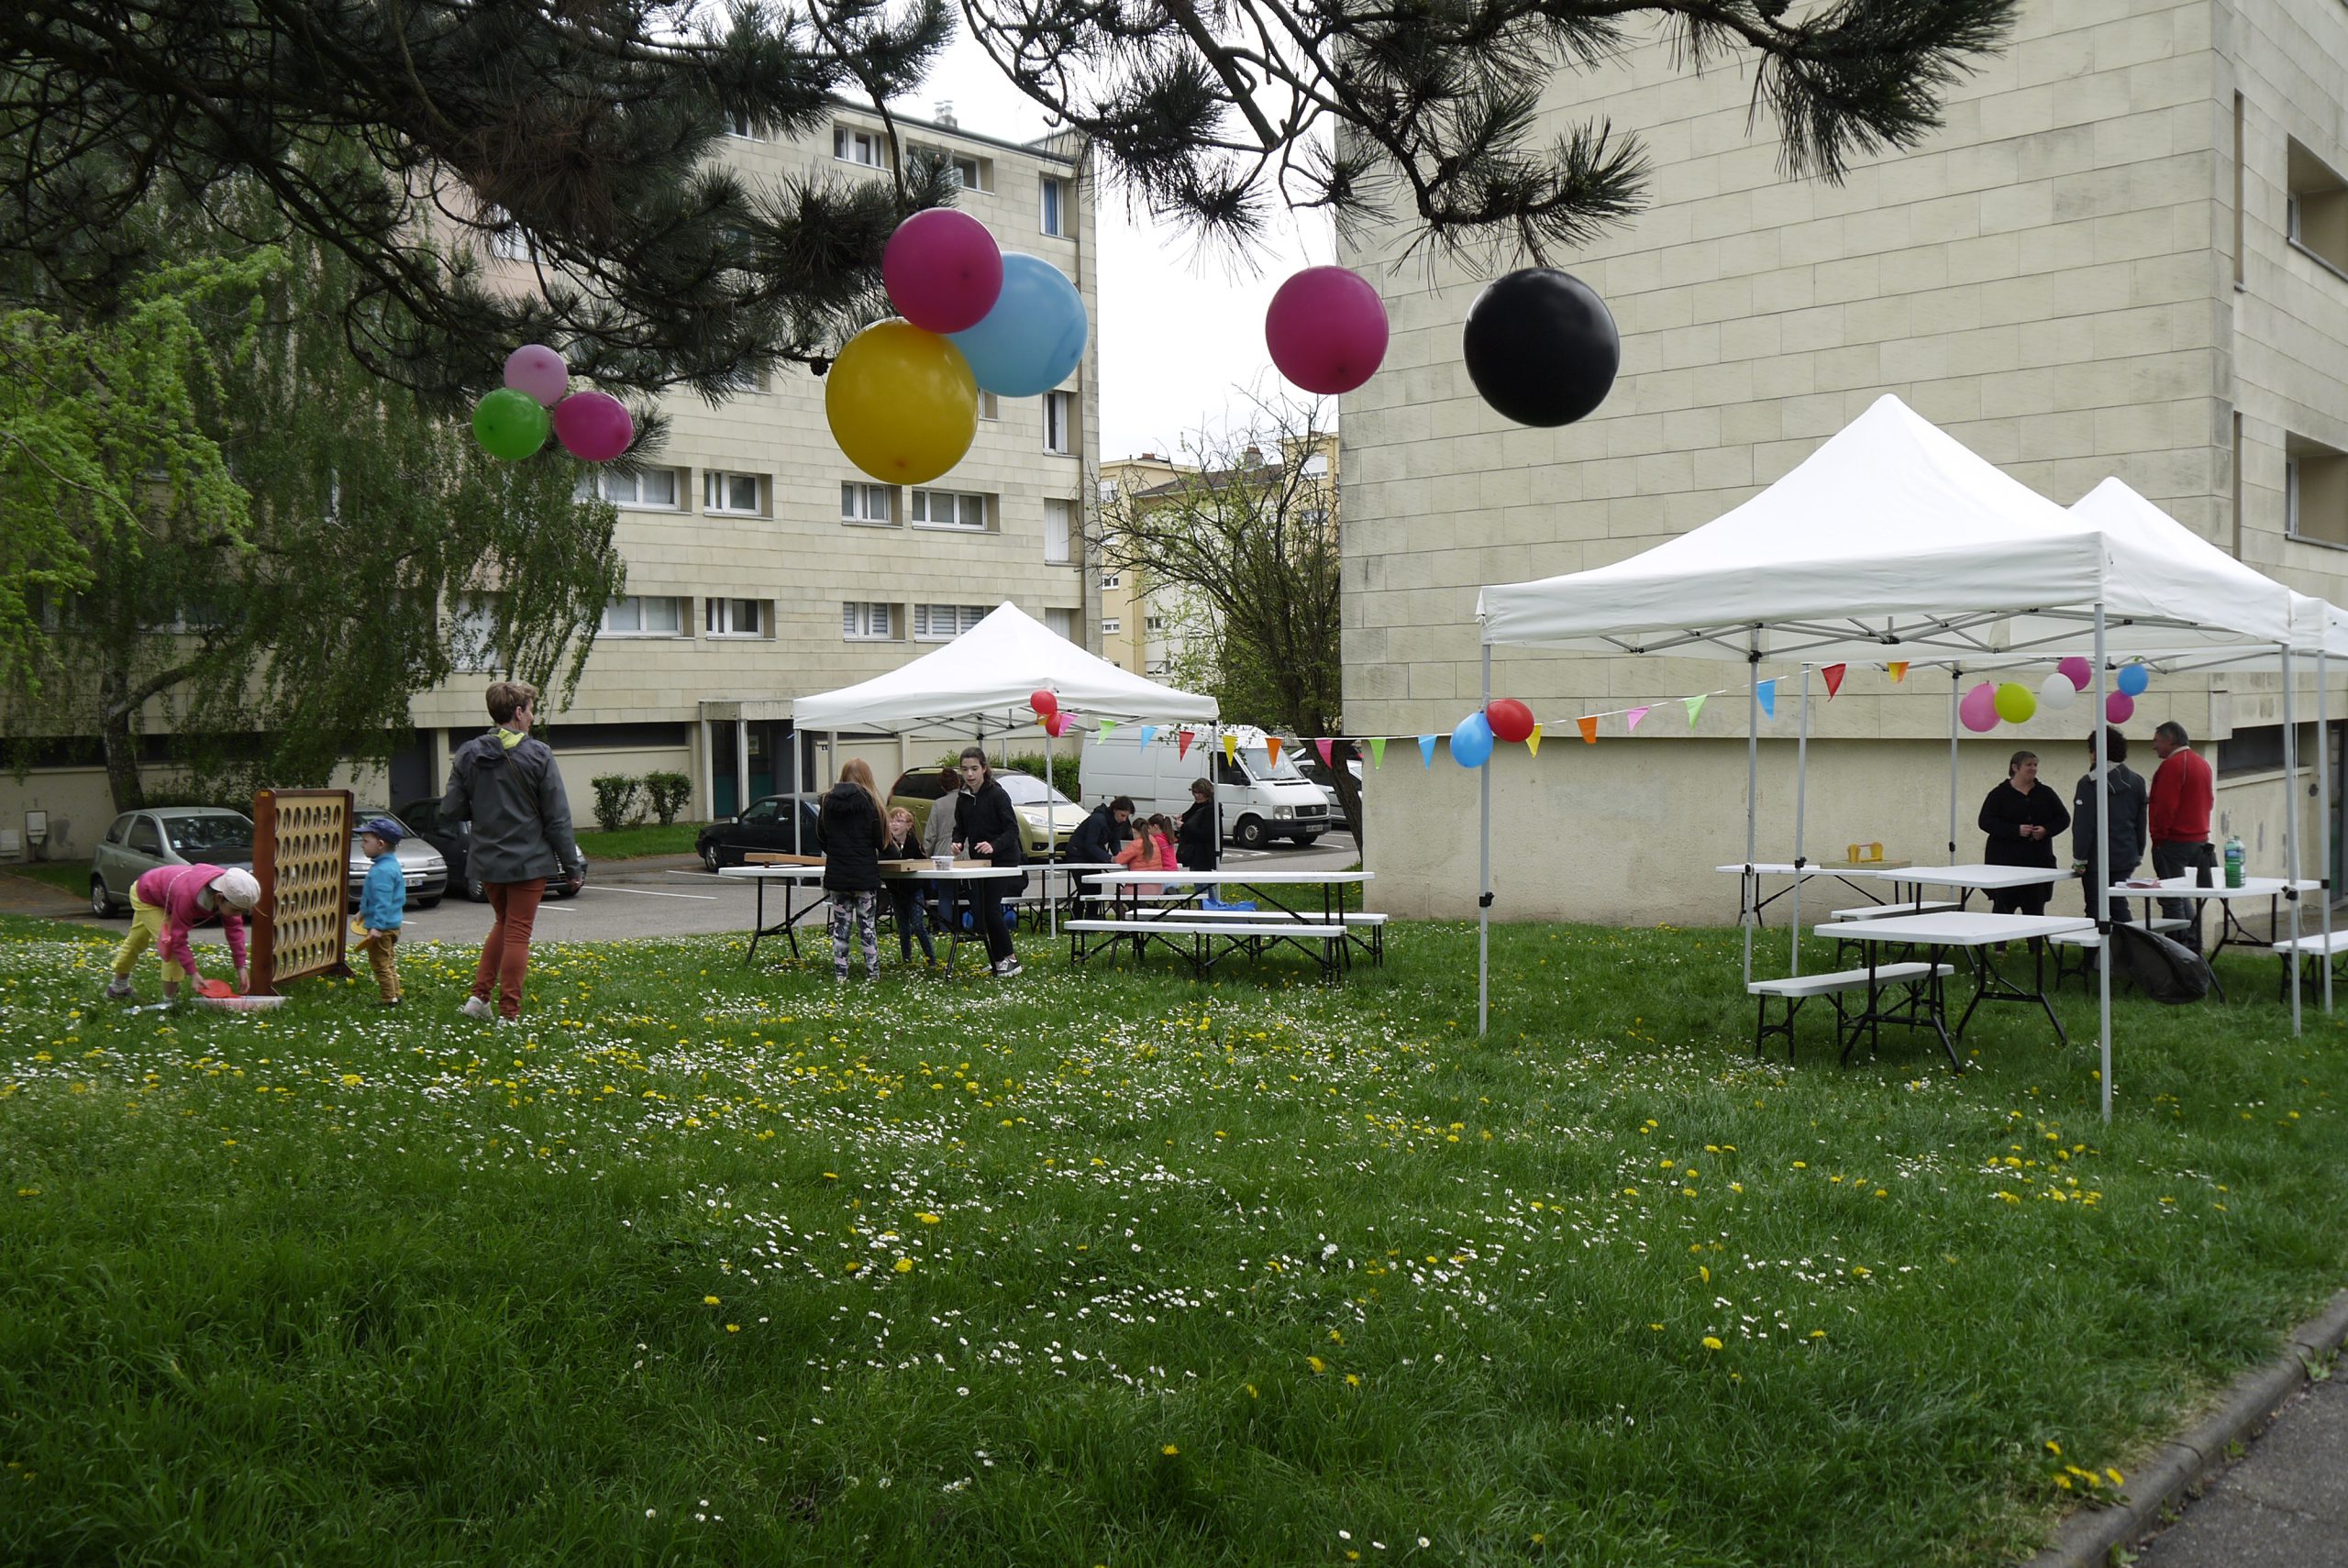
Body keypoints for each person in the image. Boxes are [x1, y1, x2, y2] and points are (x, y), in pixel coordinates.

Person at [441, 679, 586, 1023]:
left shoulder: (468, 753)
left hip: (487, 859)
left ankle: (479, 999)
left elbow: (450, 809)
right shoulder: (538, 754)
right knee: (518, 931)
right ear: (518, 712)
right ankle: (509, 1013)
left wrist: (486, 807)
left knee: (504, 923)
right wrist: (571, 867)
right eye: (531, 710)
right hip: (528, 860)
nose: (533, 717)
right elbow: (557, 816)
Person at [104, 863, 260, 1002]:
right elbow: (178, 940)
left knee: (137, 940)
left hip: (163, 894)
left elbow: (235, 931)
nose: (238, 914)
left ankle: (118, 989)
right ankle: (171, 1003)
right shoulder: (188, 897)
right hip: (146, 894)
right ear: (219, 897)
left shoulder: (227, 892)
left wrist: (241, 966)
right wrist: (194, 973)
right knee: (169, 945)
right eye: (235, 910)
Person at [950, 745, 1026, 977]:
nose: (970, 774)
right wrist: (957, 842)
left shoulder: (998, 794)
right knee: (981, 912)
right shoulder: (963, 798)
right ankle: (997, 960)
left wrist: (994, 845)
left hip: (1003, 860)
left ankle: (1011, 959)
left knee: (991, 909)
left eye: (974, 769)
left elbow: (1012, 830)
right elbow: (959, 828)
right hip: (979, 862)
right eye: (965, 770)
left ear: (984, 769)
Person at [817, 758, 888, 980]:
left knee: (841, 927)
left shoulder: (827, 802)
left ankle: (841, 974)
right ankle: (872, 973)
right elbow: (880, 841)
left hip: (837, 875)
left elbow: (822, 838)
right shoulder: (871, 802)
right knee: (867, 926)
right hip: (864, 875)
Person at [1978, 748, 2071, 917]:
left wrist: (2046, 830)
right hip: (2005, 865)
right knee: (2002, 912)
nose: (2033, 768)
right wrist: (2015, 830)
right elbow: (1985, 821)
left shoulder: (2046, 793)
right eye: (2029, 764)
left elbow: (2063, 819)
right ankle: (1999, 944)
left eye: (2035, 765)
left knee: (2035, 913)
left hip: (2037, 864)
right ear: (2015, 767)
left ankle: (2035, 944)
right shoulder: (1999, 794)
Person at [2069, 728, 2147, 925]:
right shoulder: (2137, 781)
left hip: (2097, 859)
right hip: (2126, 855)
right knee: (2118, 904)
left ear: (2095, 752)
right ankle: (2130, 949)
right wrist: (2138, 852)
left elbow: (2084, 826)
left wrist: (2079, 858)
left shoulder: (2089, 783)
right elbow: (2141, 821)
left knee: (2096, 908)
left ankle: (2096, 955)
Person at [2149, 720, 2216, 938]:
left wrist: (2159, 838)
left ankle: (2179, 950)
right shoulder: (2202, 763)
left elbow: (2165, 806)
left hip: (2175, 841)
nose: (2154, 746)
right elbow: (2209, 800)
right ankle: (2193, 942)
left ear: (2170, 740)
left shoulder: (2173, 765)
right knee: (2183, 895)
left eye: (2157, 741)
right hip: (2199, 839)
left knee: (2172, 897)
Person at [353, 815, 409, 1005]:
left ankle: (388, 999)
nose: (362, 845)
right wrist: (362, 911)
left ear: (380, 844)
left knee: (380, 964)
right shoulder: (389, 865)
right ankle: (395, 995)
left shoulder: (382, 871)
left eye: (365, 841)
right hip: (391, 924)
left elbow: (383, 901)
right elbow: (373, 897)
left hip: (382, 929)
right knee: (388, 962)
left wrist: (376, 927)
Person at [880, 807, 937, 966]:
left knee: (918, 925)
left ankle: (930, 958)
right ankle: (906, 959)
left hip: (914, 890)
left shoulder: (915, 845)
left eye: (899, 821)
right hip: (895, 891)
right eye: (891, 821)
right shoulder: (887, 844)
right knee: (903, 928)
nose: (894, 824)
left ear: (909, 825)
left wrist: (927, 896)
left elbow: (924, 870)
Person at [921, 762, 963, 934]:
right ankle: (973, 927)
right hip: (965, 851)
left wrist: (925, 855)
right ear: (959, 782)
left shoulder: (939, 804)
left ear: (942, 786)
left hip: (943, 853)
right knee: (972, 892)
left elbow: (930, 835)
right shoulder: (967, 799)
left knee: (945, 895)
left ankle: (946, 929)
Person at [1113, 810, 1176, 897]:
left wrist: (1112, 858)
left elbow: (1119, 859)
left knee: (1116, 897)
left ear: (1134, 831)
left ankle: (1131, 910)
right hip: (1159, 885)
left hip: (1141, 886)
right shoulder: (1154, 841)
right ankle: (1139, 908)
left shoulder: (1137, 844)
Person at [1069, 795, 1135, 866]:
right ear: (1115, 810)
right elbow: (1090, 844)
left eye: (1127, 816)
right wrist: (1111, 858)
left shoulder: (1117, 822)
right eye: (1122, 815)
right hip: (1077, 853)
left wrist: (1121, 857)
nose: (1124, 819)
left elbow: (1115, 842)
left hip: (1091, 852)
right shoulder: (1098, 819)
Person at [1177, 777, 1219, 873]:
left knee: (1202, 884)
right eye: (1194, 792)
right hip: (1196, 852)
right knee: (1205, 884)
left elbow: (1206, 833)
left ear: (1206, 793)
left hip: (1204, 853)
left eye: (1199, 793)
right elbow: (1189, 815)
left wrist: (1183, 827)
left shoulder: (1211, 809)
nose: (1196, 795)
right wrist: (1181, 817)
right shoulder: (1198, 804)